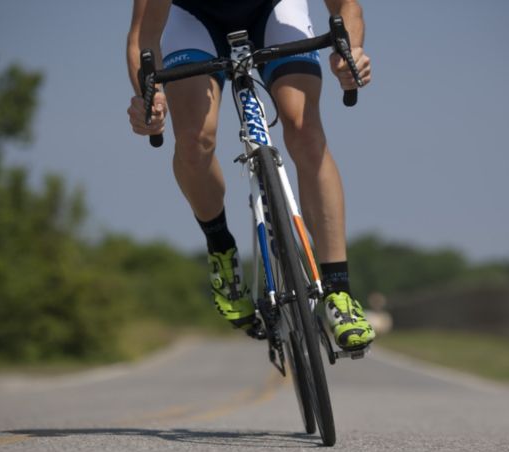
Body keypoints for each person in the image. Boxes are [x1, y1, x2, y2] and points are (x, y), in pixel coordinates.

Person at [126, 0, 375, 350]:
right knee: (195, 139)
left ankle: (339, 293)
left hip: (275, 8)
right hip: (194, 17)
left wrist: (349, 52)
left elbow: (346, 6)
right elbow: (143, 35)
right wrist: (147, 98)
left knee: (304, 127)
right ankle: (221, 250)